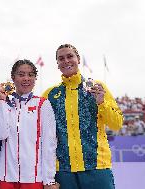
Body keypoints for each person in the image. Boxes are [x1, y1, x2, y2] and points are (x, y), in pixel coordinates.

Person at [43, 44, 124, 189]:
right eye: (61, 58)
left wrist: (101, 103)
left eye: (70, 56)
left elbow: (117, 124)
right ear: (57, 64)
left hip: (97, 166)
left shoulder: (97, 87)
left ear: (78, 59)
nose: (66, 61)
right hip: (63, 170)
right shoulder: (50, 95)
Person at [0, 59, 58, 189]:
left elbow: (49, 144)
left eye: (30, 75)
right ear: (13, 78)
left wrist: (49, 180)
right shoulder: (4, 104)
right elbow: (0, 134)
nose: (26, 78)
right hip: (6, 178)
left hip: (33, 179)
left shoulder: (42, 104)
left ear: (35, 78)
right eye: (21, 74)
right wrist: (2, 101)